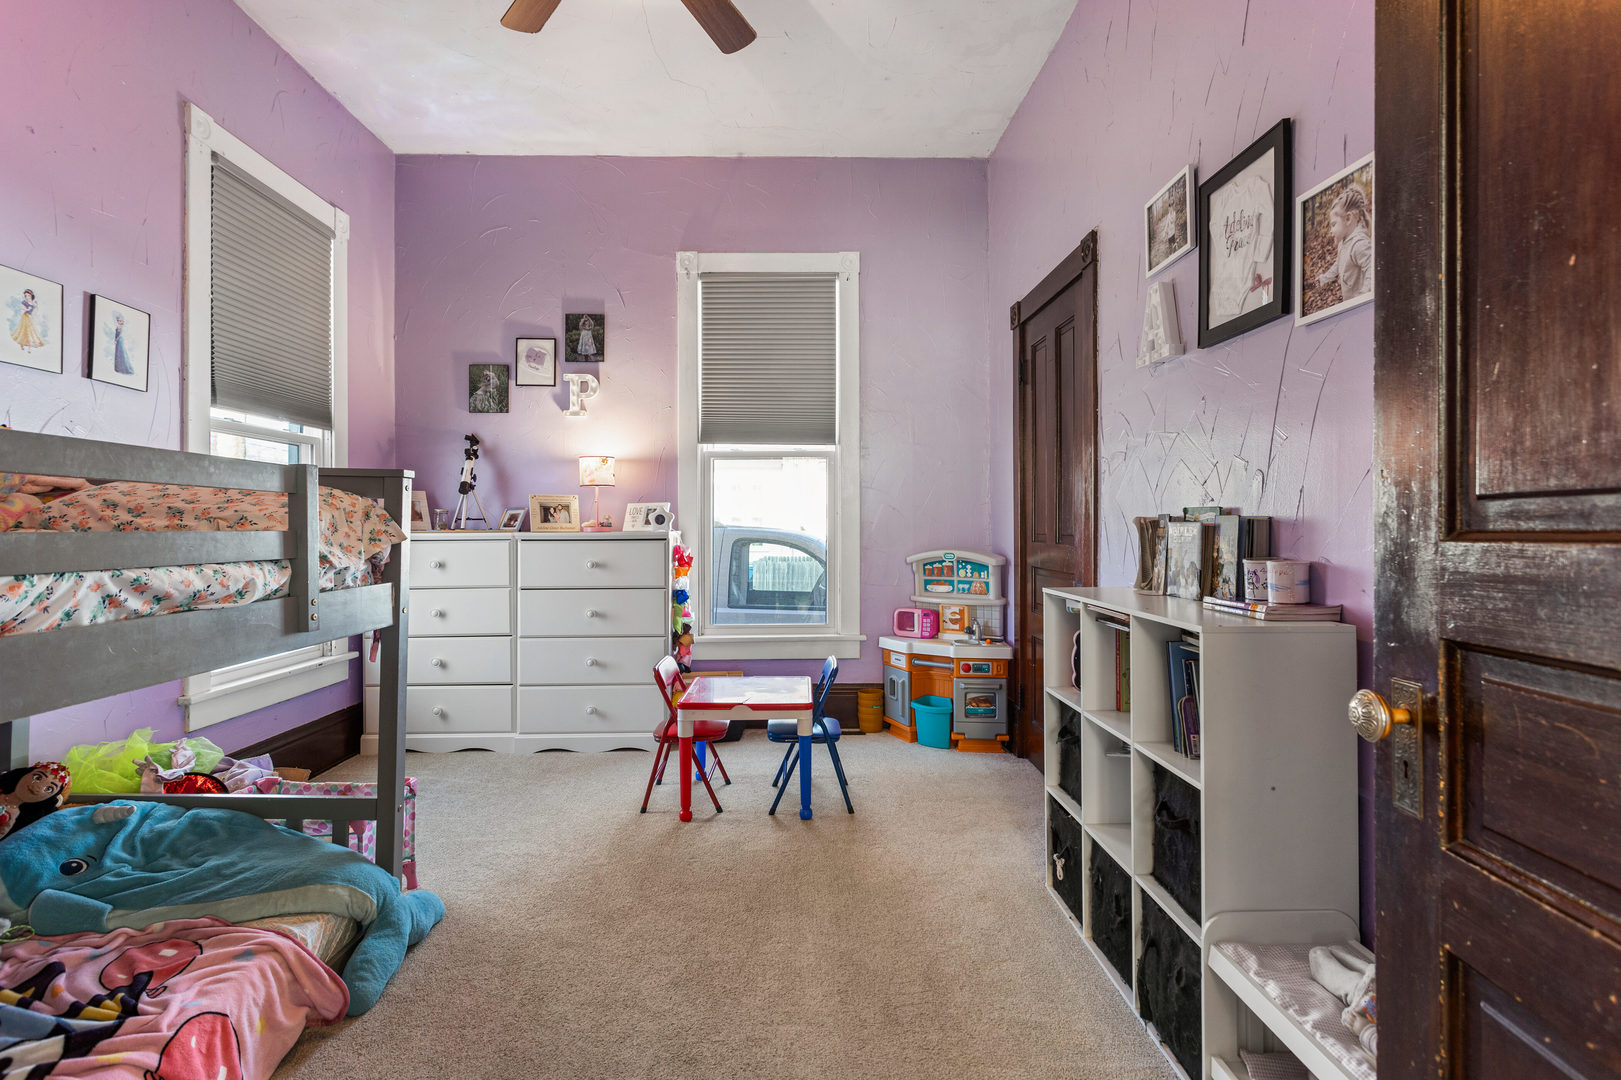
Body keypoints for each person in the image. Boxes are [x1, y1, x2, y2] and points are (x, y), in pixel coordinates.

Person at [1316, 182, 1373, 303]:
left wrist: (1364, 293)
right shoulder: (1344, 242)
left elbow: (1371, 268)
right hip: (1350, 303)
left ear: (1348, 219)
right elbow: (1338, 263)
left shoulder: (1359, 244)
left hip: (1361, 306)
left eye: (1333, 224)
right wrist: (1324, 278)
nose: (1331, 230)